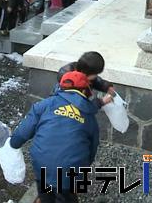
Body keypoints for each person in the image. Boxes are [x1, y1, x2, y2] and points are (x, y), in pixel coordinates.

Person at [10, 70, 109, 203]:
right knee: (66, 196)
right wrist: (84, 166)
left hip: (42, 162)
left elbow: (22, 132)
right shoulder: (89, 118)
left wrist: (13, 143)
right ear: (85, 91)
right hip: (71, 168)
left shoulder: (44, 105)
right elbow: (92, 148)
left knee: (46, 192)